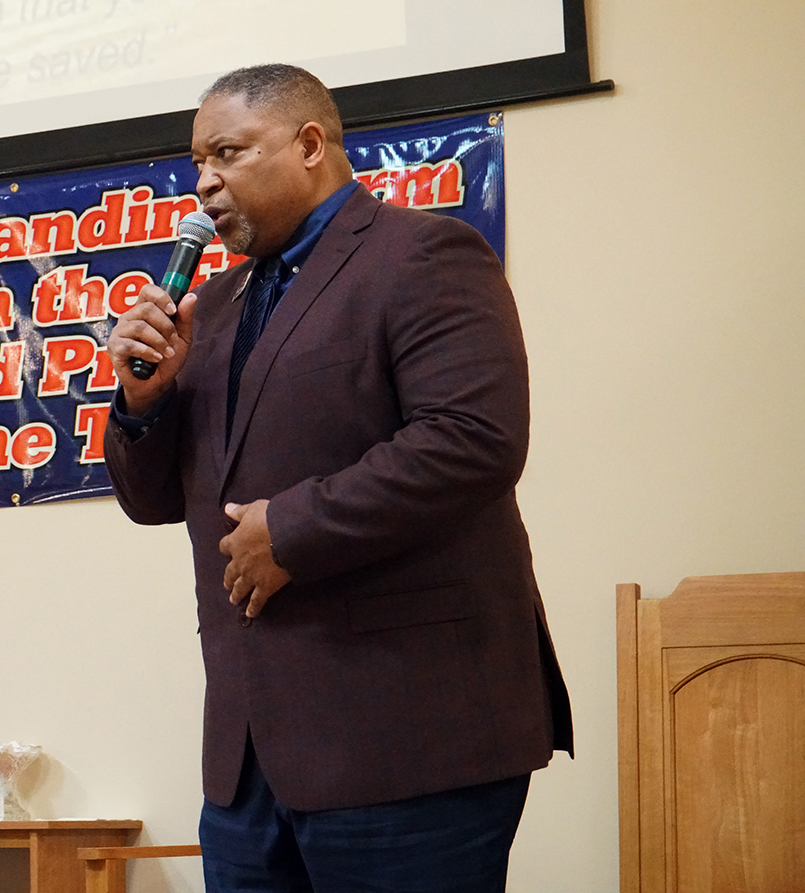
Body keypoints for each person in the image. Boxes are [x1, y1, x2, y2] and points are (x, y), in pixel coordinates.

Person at [103, 65, 572, 892]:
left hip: (410, 738)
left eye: (226, 153)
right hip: (250, 760)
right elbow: (154, 500)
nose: (203, 181)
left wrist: (291, 531)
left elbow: (473, 439)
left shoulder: (422, 253)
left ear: (310, 144)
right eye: (197, 162)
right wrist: (144, 402)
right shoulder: (212, 306)